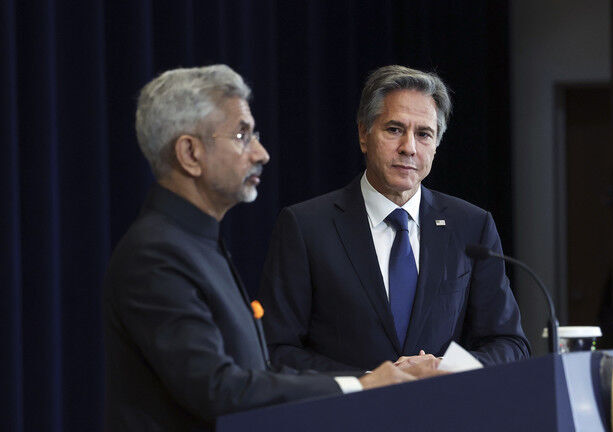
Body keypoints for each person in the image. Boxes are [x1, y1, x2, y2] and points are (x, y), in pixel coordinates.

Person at [103, 65, 437, 432]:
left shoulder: (194, 242)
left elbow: (254, 373)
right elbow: (217, 390)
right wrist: (360, 385)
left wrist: (369, 381)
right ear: (190, 153)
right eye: (242, 135)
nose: (261, 153)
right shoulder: (156, 254)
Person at [259, 65, 531, 372]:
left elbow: (510, 344)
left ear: (437, 143)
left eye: (424, 134)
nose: (409, 148)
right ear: (364, 134)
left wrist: (444, 369)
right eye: (394, 130)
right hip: (345, 414)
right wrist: (370, 381)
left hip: (442, 413)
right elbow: (276, 349)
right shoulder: (305, 226)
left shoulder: (471, 226)